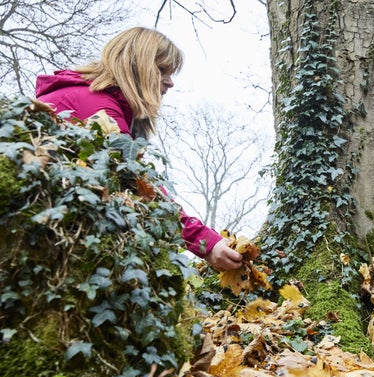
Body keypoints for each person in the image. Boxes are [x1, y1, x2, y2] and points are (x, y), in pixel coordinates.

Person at [34, 26, 243, 271]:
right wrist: (206, 243)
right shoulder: (98, 106)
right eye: (162, 70)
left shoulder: (101, 101)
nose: (170, 82)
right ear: (137, 66)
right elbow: (138, 185)